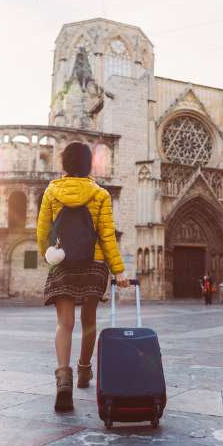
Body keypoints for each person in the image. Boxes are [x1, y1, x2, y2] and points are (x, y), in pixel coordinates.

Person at [37, 142, 128, 412]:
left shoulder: (52, 191)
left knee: (65, 323)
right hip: (94, 262)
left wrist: (49, 254)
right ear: (89, 164)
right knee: (89, 321)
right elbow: (107, 234)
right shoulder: (99, 194)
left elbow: (42, 231)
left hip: (63, 260)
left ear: (64, 164)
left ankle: (63, 379)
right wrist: (118, 269)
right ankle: (84, 370)